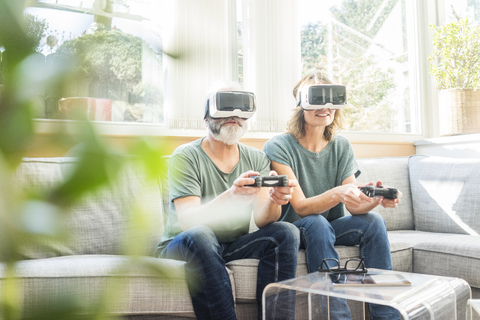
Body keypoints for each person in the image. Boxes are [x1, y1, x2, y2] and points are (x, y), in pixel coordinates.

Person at [263, 71, 402, 320]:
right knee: (316, 222)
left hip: (330, 226)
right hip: (298, 228)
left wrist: (375, 199)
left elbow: (354, 207)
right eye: (317, 98)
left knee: (374, 222)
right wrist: (338, 193)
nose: (325, 106)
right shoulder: (279, 146)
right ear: (300, 103)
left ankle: (387, 316)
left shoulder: (341, 146)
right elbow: (302, 207)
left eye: (332, 99)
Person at [155, 80, 300, 320]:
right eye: (225, 109)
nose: (233, 115)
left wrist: (275, 199)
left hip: (230, 245)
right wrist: (230, 196)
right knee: (202, 234)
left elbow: (265, 220)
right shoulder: (186, 156)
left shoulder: (256, 157)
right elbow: (188, 221)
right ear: (206, 119)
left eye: (240, 111)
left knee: (286, 231)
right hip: (183, 244)